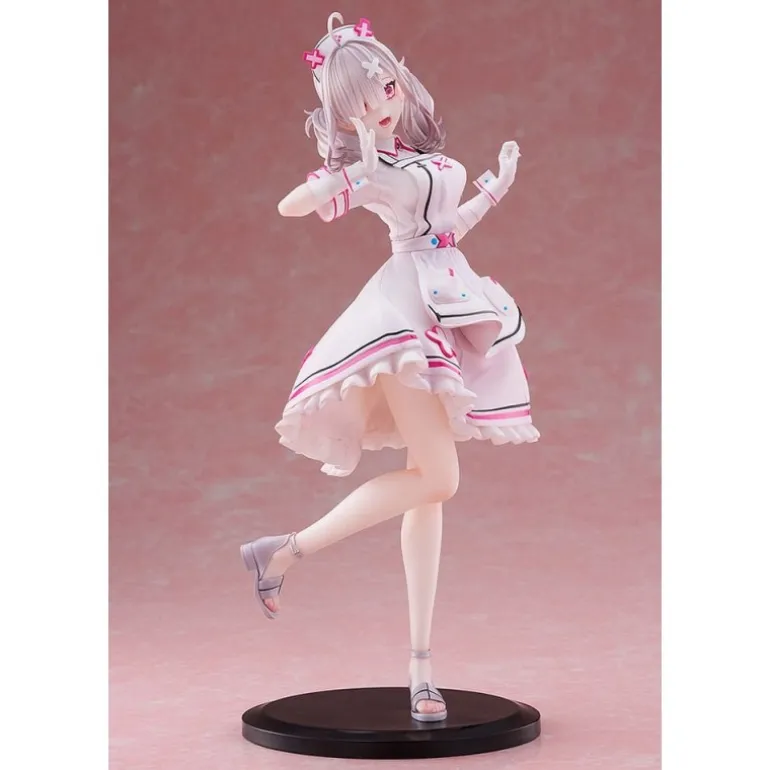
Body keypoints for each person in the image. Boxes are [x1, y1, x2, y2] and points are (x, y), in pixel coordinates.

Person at [241, 12, 539, 723]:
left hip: (448, 299)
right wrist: (353, 170)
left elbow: (444, 230)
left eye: (385, 84)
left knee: (427, 494)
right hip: (404, 319)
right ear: (343, 112)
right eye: (362, 97)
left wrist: (496, 186)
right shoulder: (372, 168)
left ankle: (421, 671)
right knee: (440, 478)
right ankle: (285, 551)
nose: (382, 99)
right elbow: (293, 204)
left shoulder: (419, 158)